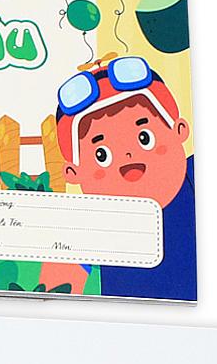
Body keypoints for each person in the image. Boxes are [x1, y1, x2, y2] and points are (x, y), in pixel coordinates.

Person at [40, 56, 195, 300]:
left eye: (144, 138)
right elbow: (54, 287)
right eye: (101, 155)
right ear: (73, 173)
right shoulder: (88, 222)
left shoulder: (197, 176)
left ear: (180, 130)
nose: (127, 154)